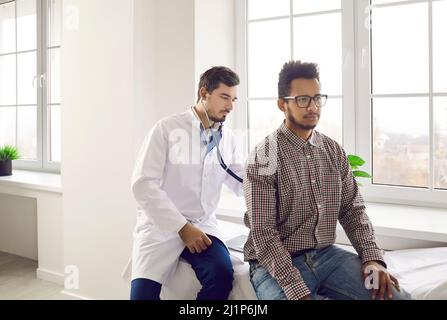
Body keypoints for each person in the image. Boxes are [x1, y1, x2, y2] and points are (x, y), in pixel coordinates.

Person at [243, 60, 412, 300]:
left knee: (398, 297)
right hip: (275, 265)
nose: (313, 107)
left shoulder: (333, 151)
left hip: (326, 256)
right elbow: (264, 234)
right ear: (282, 104)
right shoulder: (263, 157)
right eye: (302, 99)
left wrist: (372, 259)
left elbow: (353, 211)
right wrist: (296, 290)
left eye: (317, 98)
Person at [130, 66, 244, 300]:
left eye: (233, 99)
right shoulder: (166, 129)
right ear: (204, 93)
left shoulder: (227, 138)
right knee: (141, 296)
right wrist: (182, 228)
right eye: (224, 97)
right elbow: (142, 184)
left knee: (221, 277)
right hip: (161, 228)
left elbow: (241, 181)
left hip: (204, 226)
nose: (230, 106)